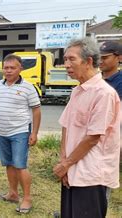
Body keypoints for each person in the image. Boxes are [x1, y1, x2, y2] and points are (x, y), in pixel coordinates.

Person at [53, 37, 120, 218]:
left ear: (88, 61)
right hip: (72, 169)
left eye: (71, 59)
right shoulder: (77, 90)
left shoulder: (104, 93)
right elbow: (66, 126)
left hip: (91, 173)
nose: (66, 64)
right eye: (65, 59)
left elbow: (93, 137)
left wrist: (66, 164)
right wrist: (63, 162)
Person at [0, 54, 41, 214]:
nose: (8, 71)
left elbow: (36, 111)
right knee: (8, 163)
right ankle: (13, 193)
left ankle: (27, 198)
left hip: (21, 131)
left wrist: (34, 132)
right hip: (2, 132)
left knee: (20, 165)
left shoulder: (28, 87)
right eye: (6, 68)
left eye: (12, 68)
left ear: (20, 68)